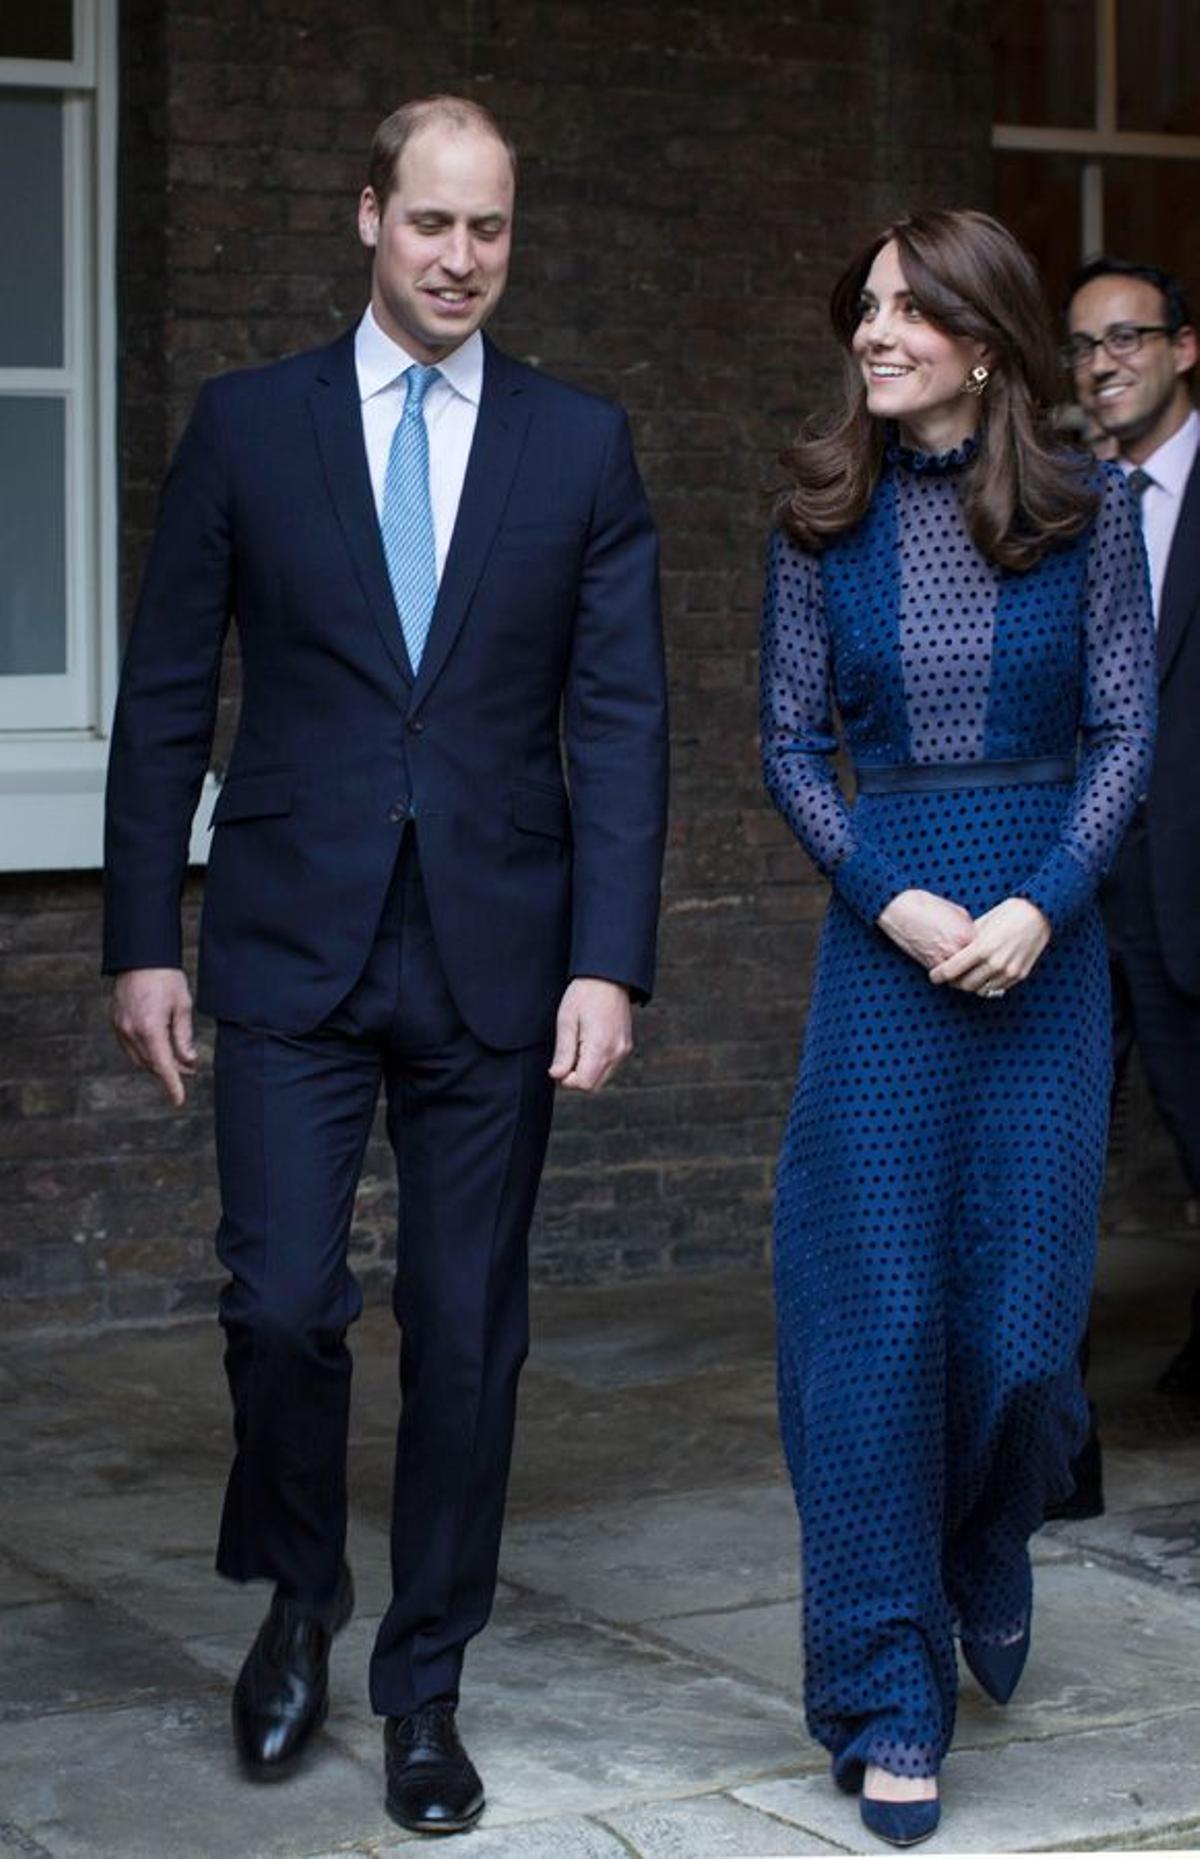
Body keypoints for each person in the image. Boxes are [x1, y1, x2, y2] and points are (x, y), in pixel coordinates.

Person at [103, 95, 667, 1837]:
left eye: (490, 229)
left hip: (499, 955)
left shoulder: (578, 447)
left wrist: (611, 959)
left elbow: (625, 720)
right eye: (432, 223)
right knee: (278, 1300)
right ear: (367, 218)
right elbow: (168, 697)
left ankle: (425, 1682)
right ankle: (298, 1592)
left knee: (469, 1334)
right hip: (286, 938)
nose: (460, 260)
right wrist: (142, 938)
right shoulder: (249, 428)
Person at [760, 209, 1155, 1847]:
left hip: (1042, 956)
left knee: (1013, 1340)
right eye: (864, 308)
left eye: (909, 311)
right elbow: (785, 739)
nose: (873, 332)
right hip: (886, 957)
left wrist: (1045, 898)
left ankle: (986, 1541)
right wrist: (889, 892)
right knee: (870, 1331)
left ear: (984, 342)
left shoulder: (1092, 514)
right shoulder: (817, 517)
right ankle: (885, 1687)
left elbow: (1128, 727)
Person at [1064, 259, 1200, 1409]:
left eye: (1127, 338)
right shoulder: (1063, 499)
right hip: (1071, 891)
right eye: (1084, 346)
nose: (1102, 363)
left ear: (1182, 348)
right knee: (1051, 1162)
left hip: (1192, 881)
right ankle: (1053, 1443)